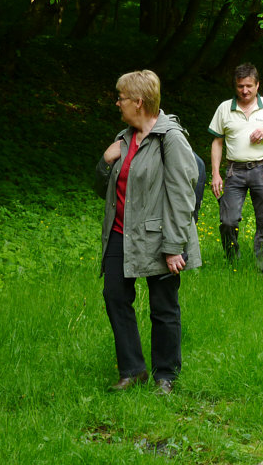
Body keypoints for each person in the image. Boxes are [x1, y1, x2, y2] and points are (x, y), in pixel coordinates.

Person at [94, 70, 202, 395]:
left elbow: (183, 196)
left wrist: (173, 246)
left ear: (139, 102)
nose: (117, 103)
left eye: (121, 98)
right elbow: (103, 189)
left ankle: (165, 376)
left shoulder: (171, 138)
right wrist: (105, 160)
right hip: (120, 232)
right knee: (115, 297)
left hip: (161, 236)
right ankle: (133, 371)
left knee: (163, 306)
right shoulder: (123, 138)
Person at [209, 63, 263, 269]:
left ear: (258, 85)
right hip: (234, 171)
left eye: (249, 86)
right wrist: (216, 174)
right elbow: (217, 141)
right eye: (240, 86)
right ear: (235, 86)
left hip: (262, 169)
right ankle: (232, 260)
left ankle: (262, 268)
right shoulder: (224, 108)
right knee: (228, 221)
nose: (245, 90)